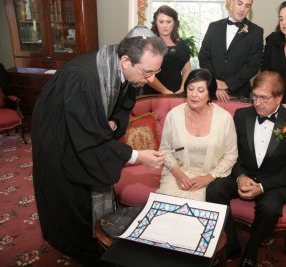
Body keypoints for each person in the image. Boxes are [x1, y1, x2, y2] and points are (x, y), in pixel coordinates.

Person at [31, 25, 167, 266]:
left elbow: (122, 107)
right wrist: (137, 156)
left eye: (155, 72)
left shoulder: (122, 70)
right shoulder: (84, 78)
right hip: (59, 140)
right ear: (126, 60)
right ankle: (81, 249)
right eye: (147, 72)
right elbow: (89, 140)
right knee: (72, 200)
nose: (151, 79)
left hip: (82, 131)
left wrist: (113, 121)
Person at [206, 71, 286, 267]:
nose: (257, 103)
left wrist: (262, 186)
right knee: (214, 189)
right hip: (245, 173)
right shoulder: (242, 115)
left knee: (269, 208)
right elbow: (231, 153)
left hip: (276, 181)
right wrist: (240, 176)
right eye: (254, 96)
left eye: (264, 98)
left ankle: (251, 250)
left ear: (278, 97)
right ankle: (232, 244)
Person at [157, 68, 238, 201]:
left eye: (201, 90)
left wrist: (210, 177)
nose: (194, 94)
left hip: (208, 179)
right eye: (190, 89)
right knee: (164, 206)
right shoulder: (174, 115)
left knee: (195, 212)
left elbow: (231, 154)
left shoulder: (224, 118)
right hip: (176, 174)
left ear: (210, 94)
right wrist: (178, 174)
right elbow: (165, 149)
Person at [198, 0, 263, 102]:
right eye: (240, 3)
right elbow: (203, 57)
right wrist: (215, 83)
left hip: (240, 95)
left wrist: (227, 84)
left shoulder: (256, 32)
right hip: (212, 92)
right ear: (231, 2)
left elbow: (253, 66)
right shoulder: (213, 27)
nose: (242, 9)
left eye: (247, 6)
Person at [142, 5, 191, 95]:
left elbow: (187, 68)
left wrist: (183, 88)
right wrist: (164, 91)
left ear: (174, 23)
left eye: (168, 22)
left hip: (178, 93)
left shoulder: (181, 43)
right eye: (161, 22)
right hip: (154, 93)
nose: (165, 26)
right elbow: (146, 73)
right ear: (156, 23)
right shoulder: (149, 44)